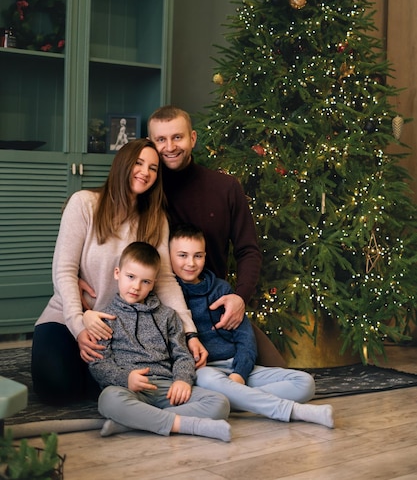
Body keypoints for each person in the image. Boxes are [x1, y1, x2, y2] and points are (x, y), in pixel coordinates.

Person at [31, 138, 205, 405]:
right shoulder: (85, 204)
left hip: (122, 326)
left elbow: (166, 281)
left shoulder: (155, 218)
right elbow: (64, 271)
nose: (145, 172)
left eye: (153, 168)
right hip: (71, 316)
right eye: (138, 163)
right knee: (56, 389)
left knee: (95, 385)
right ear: (123, 163)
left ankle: (113, 380)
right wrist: (80, 324)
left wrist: (189, 333)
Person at [147, 105, 287, 367]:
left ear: (193, 138)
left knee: (278, 368)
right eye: (160, 139)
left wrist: (239, 298)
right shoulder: (145, 188)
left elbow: (248, 250)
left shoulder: (225, 188)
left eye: (177, 137)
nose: (170, 147)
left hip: (213, 306)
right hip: (161, 307)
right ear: (151, 143)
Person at [169, 224, 334, 429]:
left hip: (237, 367)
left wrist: (239, 373)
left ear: (205, 256)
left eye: (198, 256)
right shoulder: (171, 297)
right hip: (206, 371)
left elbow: (245, 336)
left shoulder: (221, 289)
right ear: (168, 256)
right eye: (182, 255)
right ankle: (290, 410)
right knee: (209, 382)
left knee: (305, 384)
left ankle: (235, 400)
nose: (190, 263)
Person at [89, 241, 231, 442]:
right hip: (129, 389)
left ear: (154, 283)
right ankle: (184, 424)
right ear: (117, 273)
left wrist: (182, 379)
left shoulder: (167, 316)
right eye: (131, 277)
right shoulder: (105, 319)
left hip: (167, 388)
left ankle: (132, 422)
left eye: (145, 281)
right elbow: (99, 363)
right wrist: (125, 379)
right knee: (108, 400)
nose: (136, 286)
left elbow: (182, 354)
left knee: (219, 402)